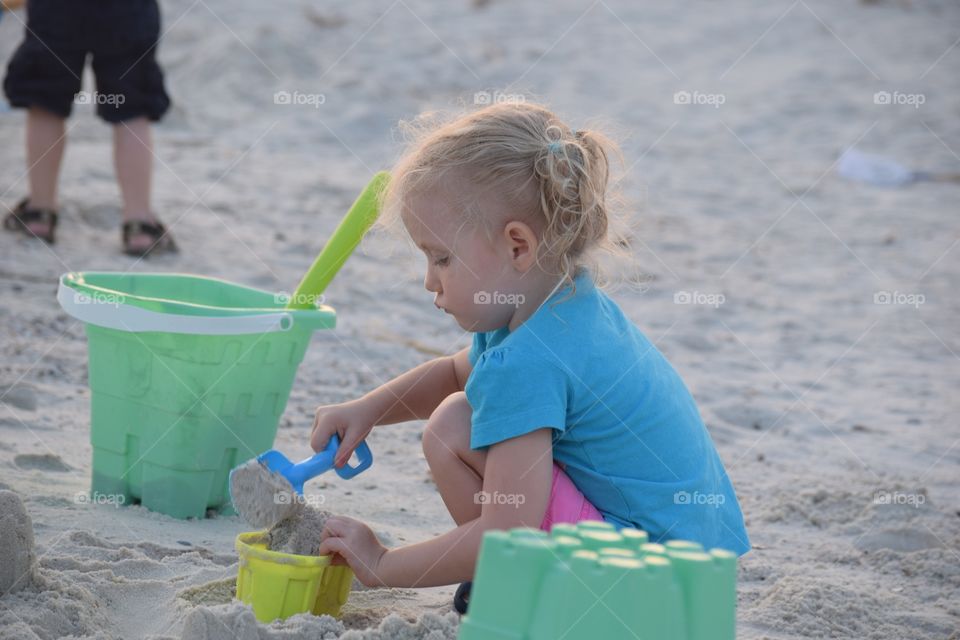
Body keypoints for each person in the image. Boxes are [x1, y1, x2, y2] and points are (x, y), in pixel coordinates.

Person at [310, 102, 750, 600]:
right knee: (462, 406)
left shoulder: (531, 361)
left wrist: (383, 564)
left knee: (453, 426)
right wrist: (368, 410)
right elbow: (457, 373)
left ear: (517, 245)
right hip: (696, 571)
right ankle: (516, 582)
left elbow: (506, 529)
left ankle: (515, 592)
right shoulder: (563, 303)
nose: (429, 280)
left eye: (441, 258)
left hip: (647, 584)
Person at [2, 0, 177, 256]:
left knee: (45, 100)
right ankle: (140, 224)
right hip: (127, 11)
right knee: (131, 107)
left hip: (57, 10)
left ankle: (39, 212)